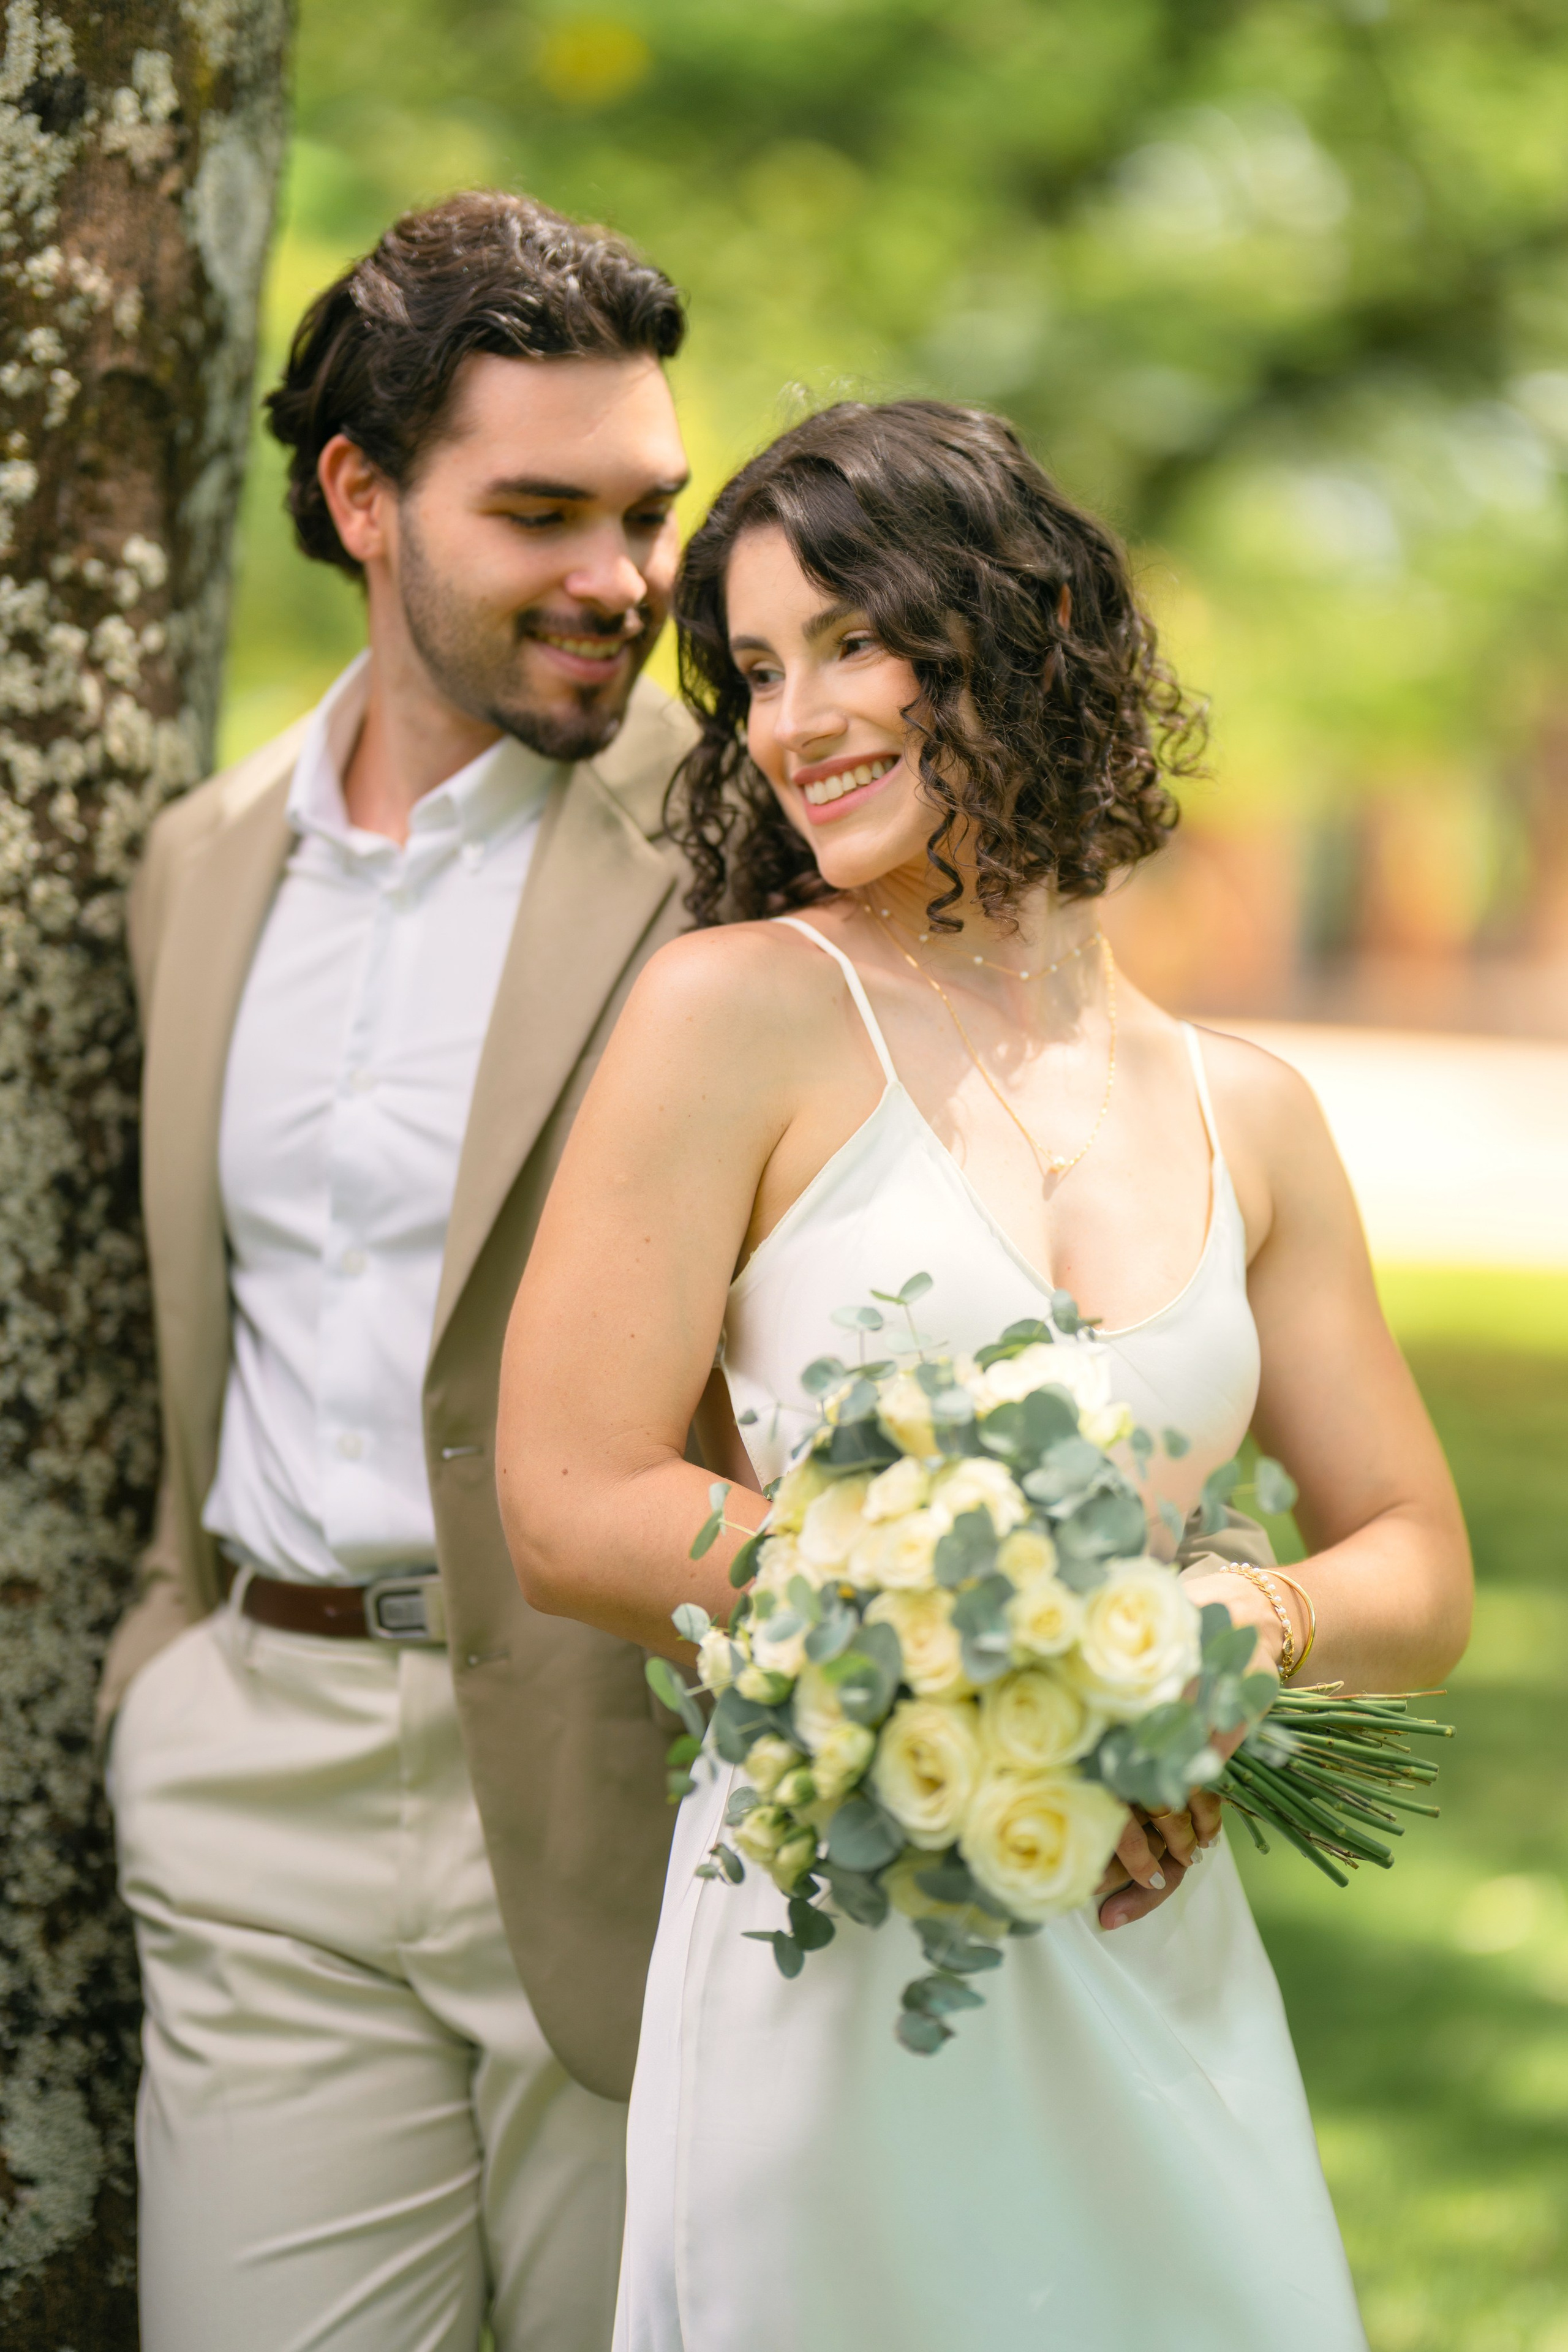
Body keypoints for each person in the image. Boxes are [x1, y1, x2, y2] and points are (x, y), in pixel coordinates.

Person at [497, 399, 1473, 2350]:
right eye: (754, 673)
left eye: (850, 641)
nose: (793, 722)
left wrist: (1212, 1635)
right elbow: (572, 1499)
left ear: (1020, 627)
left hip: (1144, 1933)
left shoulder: (1249, 1110)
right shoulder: (738, 1014)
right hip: (843, 1960)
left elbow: (1417, 1562)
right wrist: (998, 1673)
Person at [101, 191, 698, 2352]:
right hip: (260, 1781)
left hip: (628, 1786)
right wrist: (169, 1667)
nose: (619, 583)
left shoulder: (743, 854)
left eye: (646, 512)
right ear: (361, 496)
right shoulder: (198, 864)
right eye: (538, 512)